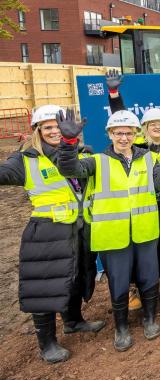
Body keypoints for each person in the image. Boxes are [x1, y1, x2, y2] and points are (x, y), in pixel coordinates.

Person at [55, 108, 160, 351]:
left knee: (149, 278)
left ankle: (150, 319)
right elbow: (68, 170)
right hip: (113, 236)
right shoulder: (97, 161)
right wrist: (68, 143)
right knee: (119, 283)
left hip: (145, 232)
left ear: (135, 134)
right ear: (109, 134)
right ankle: (121, 328)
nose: (124, 138)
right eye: (118, 133)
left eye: (128, 133)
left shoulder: (149, 158)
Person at [0, 106, 105, 363]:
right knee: (45, 285)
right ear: (37, 131)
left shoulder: (81, 153)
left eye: (57, 127)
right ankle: (47, 343)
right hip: (48, 231)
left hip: (80, 227)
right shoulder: (26, 159)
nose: (54, 131)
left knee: (77, 276)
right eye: (47, 127)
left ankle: (73, 321)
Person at [104, 71, 160, 303]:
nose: (157, 127)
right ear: (144, 126)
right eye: (152, 124)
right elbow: (122, 119)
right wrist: (114, 95)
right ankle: (135, 288)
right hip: (141, 204)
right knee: (138, 247)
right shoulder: (136, 145)